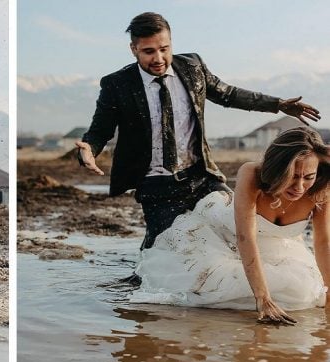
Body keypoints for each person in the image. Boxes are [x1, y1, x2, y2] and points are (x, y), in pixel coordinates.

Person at [76, 12, 321, 253]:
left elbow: (229, 94)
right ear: (134, 49)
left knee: (241, 228)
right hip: (156, 185)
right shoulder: (117, 84)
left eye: (164, 48)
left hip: (202, 177)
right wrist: (89, 149)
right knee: (163, 250)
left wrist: (277, 104)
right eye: (149, 51)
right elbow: (100, 129)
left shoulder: (192, 66)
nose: (159, 58)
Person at [130, 127, 329, 324]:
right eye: (292, 176)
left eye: (308, 177)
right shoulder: (251, 173)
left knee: (304, 293)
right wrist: (263, 298)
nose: (299, 187)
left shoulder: (322, 187)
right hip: (221, 234)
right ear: (277, 170)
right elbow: (246, 237)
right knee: (205, 290)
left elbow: (323, 242)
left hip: (272, 246)